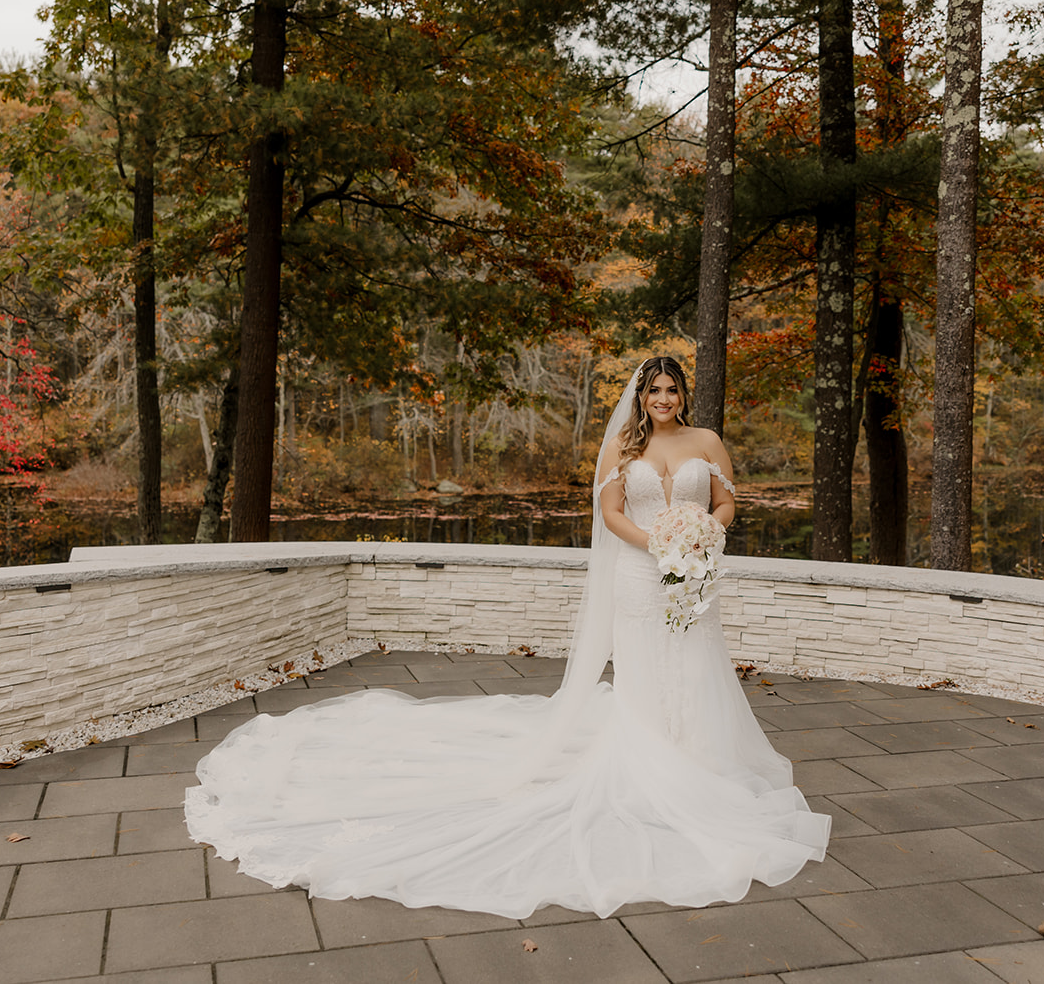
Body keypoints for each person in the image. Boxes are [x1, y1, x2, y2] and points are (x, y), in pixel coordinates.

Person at [186, 357, 830, 919]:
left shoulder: (706, 440)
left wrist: (702, 537)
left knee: (693, 663)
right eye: (654, 392)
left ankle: (700, 759)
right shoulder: (621, 450)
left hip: (691, 575)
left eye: (672, 391)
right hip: (640, 575)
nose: (664, 401)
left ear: (684, 395)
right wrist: (660, 545)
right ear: (641, 398)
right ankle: (649, 762)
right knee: (643, 671)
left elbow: (726, 503)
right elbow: (608, 516)